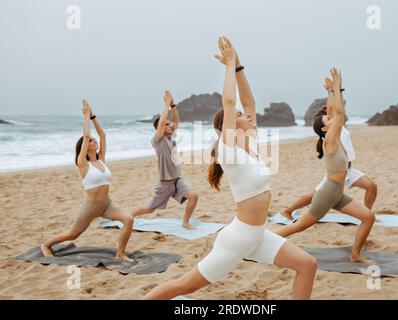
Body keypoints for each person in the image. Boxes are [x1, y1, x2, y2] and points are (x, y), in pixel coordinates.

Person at [143, 37, 317, 300]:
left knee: (308, 265)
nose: (246, 115)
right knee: (184, 286)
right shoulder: (228, 151)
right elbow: (229, 101)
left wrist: (239, 68)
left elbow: (249, 103)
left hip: (258, 235)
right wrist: (228, 64)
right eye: (238, 115)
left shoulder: (251, 143)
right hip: (237, 240)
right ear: (229, 126)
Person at [276, 69, 376, 265]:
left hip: (337, 192)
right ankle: (260, 242)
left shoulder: (334, 136)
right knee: (299, 227)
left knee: (368, 217)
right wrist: (337, 87)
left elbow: (334, 112)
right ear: (324, 129)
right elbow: (338, 113)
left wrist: (332, 91)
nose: (330, 119)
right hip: (329, 192)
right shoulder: (329, 141)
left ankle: (355, 254)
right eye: (327, 120)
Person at [41, 100, 134, 261]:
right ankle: (46, 245)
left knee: (129, 219)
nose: (94, 140)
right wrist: (85, 116)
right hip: (91, 206)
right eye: (91, 140)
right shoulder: (82, 163)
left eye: (93, 139)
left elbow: (103, 135)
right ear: (84, 146)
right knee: (73, 234)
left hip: (107, 204)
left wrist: (93, 116)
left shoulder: (102, 159)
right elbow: (85, 136)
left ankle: (120, 254)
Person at [282, 104, 378, 220]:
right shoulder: (333, 132)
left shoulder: (339, 127)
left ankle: (366, 213)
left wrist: (337, 89)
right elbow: (336, 110)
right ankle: (289, 210)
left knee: (371, 186)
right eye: (327, 116)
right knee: (314, 195)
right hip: (336, 174)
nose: (330, 116)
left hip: (348, 170)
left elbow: (338, 110)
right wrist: (333, 90)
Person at [131, 91, 198, 230]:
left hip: (177, 181)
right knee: (149, 209)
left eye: (170, 125)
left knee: (194, 196)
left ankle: (185, 222)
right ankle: (128, 216)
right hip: (164, 184)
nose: (170, 126)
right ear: (160, 129)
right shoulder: (158, 140)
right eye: (167, 125)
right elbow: (161, 122)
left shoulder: (171, 137)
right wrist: (166, 104)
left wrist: (173, 104)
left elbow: (177, 120)